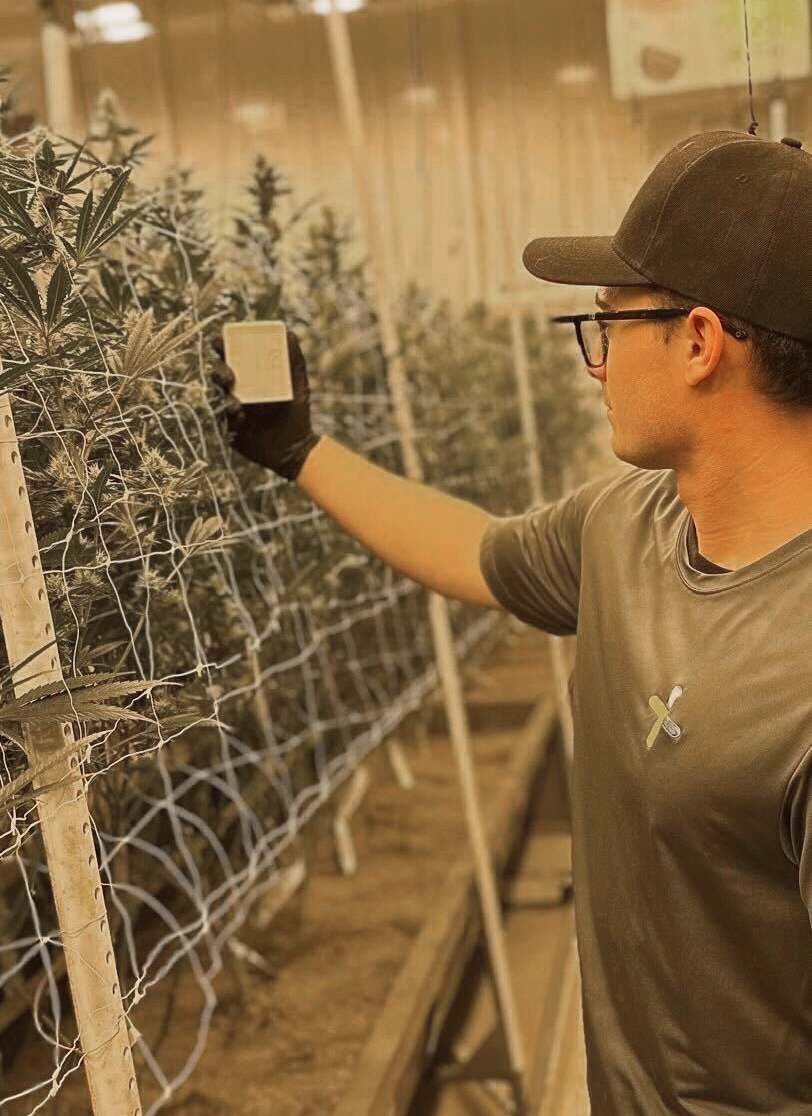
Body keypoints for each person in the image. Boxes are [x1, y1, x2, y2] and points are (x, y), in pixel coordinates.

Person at [211, 129, 812, 1115]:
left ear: (700, 341)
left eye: (609, 324)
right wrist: (297, 450)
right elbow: (474, 549)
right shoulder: (627, 528)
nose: (595, 363)